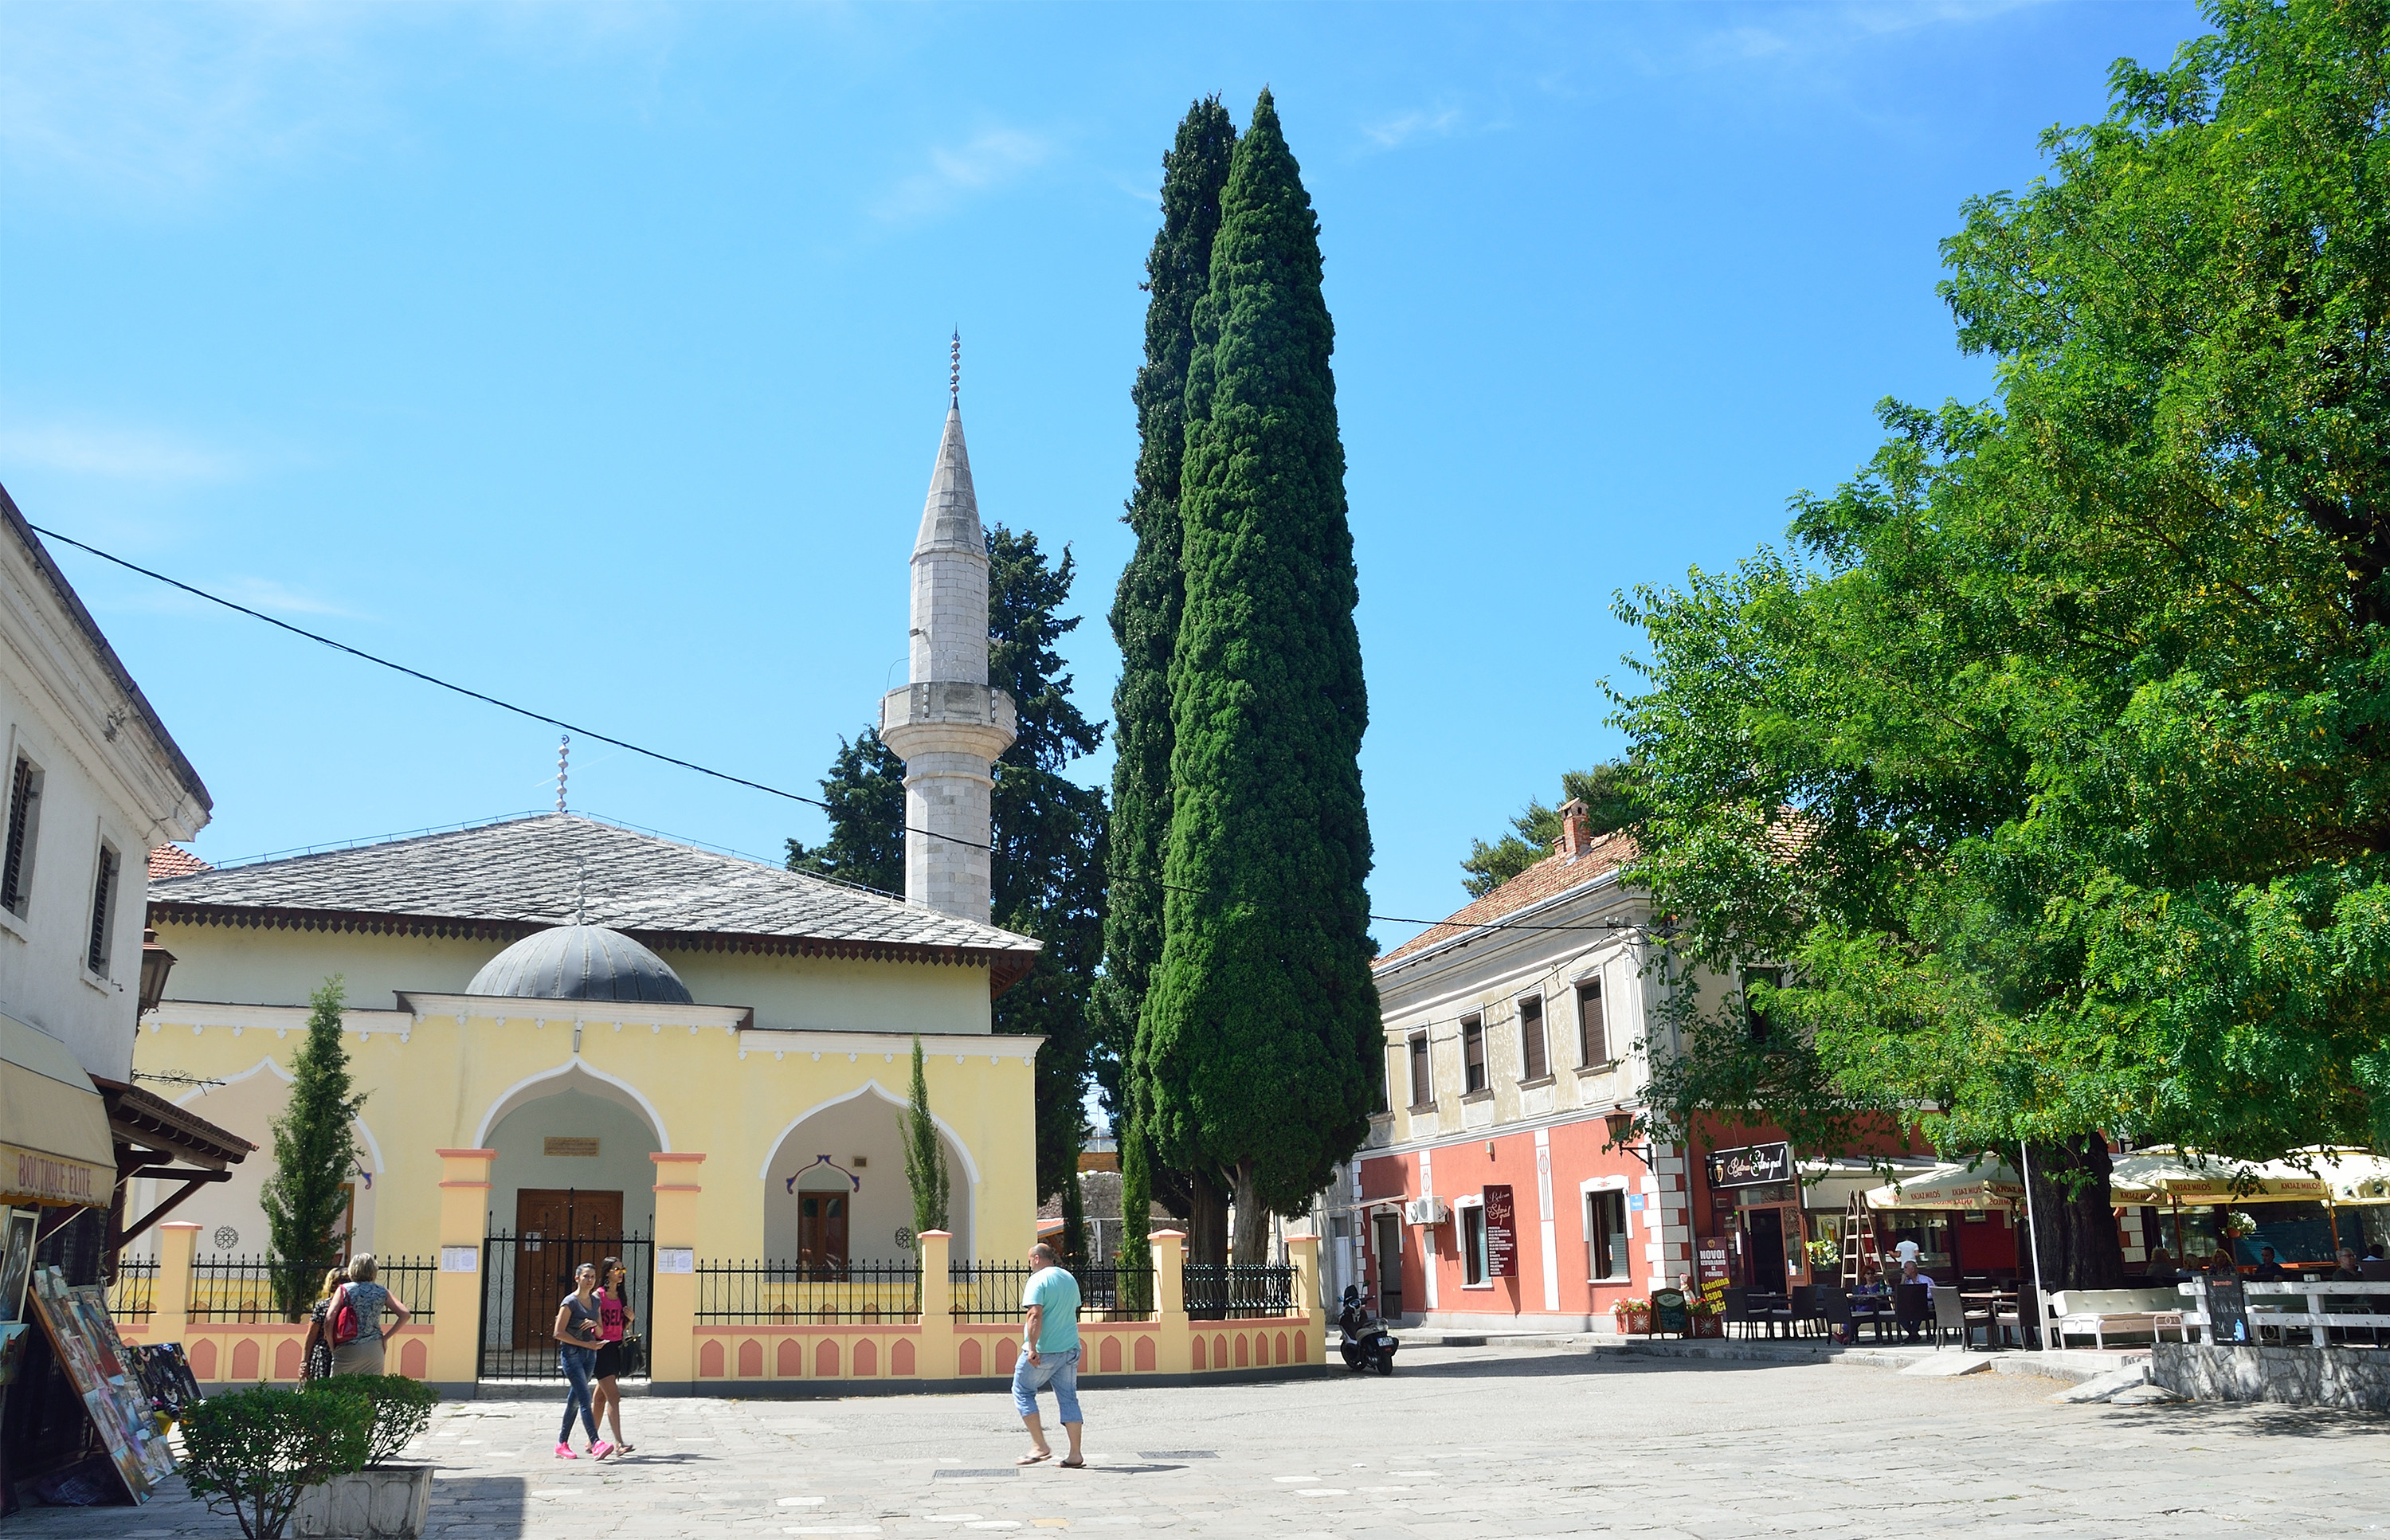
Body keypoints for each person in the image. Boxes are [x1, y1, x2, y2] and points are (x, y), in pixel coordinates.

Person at [1013, 1241, 1083, 1469]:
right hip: (1070, 1348)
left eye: (1029, 1261)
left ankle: (1039, 1445)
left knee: (1022, 1390)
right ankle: (1075, 1454)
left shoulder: (1038, 1279)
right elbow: (1073, 1310)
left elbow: (1034, 1314)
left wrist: (1032, 1347)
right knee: (1068, 1397)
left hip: (1045, 1350)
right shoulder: (1068, 1278)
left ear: (1035, 1259)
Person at [553, 1262, 610, 1459]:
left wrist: (594, 1324)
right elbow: (558, 1333)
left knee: (575, 1399)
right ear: (577, 1278)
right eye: (586, 1276)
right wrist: (585, 1344)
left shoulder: (595, 1302)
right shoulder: (570, 1302)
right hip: (572, 1354)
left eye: (593, 1277)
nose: (590, 1280)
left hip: (590, 1355)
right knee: (585, 1398)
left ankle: (562, 1444)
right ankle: (596, 1443)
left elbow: (601, 1330)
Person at [330, 1253, 410, 1377]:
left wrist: (332, 1345)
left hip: (348, 1345)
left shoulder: (344, 1289)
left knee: (339, 1388)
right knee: (371, 1389)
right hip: (374, 1348)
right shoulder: (381, 1291)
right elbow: (405, 1314)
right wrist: (385, 1338)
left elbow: (329, 1318)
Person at [590, 1257, 637, 1456]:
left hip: (616, 1347)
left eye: (622, 1269)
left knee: (600, 1398)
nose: (620, 1273)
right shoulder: (598, 1296)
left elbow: (619, 1326)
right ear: (607, 1272)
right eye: (616, 1269)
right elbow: (595, 1325)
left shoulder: (620, 1296)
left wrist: (630, 1320)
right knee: (614, 1397)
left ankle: (591, 1440)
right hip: (602, 1349)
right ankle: (619, 1443)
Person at [300, 1266, 345, 1381]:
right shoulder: (324, 1306)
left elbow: (311, 1334)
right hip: (331, 1354)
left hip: (333, 1353)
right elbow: (311, 1334)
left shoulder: (324, 1306)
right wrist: (304, 1362)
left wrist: (305, 1362)